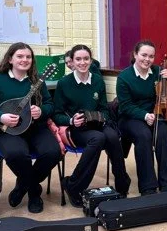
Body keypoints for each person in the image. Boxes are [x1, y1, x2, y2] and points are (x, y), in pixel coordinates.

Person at [0, 42, 62, 213]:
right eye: (20, 56)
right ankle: (34, 191)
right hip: (6, 130)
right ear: (10, 59)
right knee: (16, 154)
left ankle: (23, 185)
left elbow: (50, 105)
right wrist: (0, 116)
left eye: (28, 57)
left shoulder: (37, 80)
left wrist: (41, 110)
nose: (24, 60)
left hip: (34, 127)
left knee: (53, 152)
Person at [53, 44, 132, 205]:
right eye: (78, 59)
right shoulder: (64, 83)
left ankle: (122, 182)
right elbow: (56, 114)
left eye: (86, 59)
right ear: (72, 62)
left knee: (112, 136)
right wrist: (71, 120)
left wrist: (100, 117)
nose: (82, 62)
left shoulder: (97, 81)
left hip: (97, 124)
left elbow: (104, 109)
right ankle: (73, 185)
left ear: (91, 60)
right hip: (76, 128)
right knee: (98, 139)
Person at [115, 40, 167, 195]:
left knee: (162, 135)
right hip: (130, 118)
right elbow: (125, 106)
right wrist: (144, 115)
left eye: (151, 56)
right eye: (143, 55)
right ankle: (148, 186)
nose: (147, 59)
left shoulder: (158, 72)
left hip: (155, 115)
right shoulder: (124, 77)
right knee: (143, 136)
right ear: (135, 55)